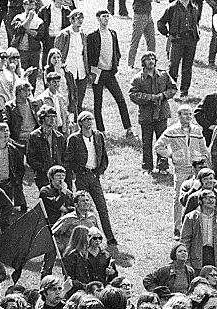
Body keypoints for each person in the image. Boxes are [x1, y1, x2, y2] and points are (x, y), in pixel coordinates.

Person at [155, 106, 210, 237]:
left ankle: (197, 226)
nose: (188, 117)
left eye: (190, 114)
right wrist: (172, 155)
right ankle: (178, 228)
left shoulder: (197, 130)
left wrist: (204, 162)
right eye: (185, 114)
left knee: (198, 196)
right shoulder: (172, 131)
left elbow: (203, 149)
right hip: (181, 169)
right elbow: (158, 146)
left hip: (196, 169)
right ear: (179, 115)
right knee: (179, 198)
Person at [66, 112, 115, 244]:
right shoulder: (74, 139)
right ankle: (85, 237)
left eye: (91, 119)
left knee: (102, 207)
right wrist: (77, 172)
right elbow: (69, 160)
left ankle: (109, 237)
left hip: (94, 176)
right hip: (82, 176)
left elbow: (104, 156)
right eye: (86, 119)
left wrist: (99, 171)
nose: (89, 122)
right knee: (83, 208)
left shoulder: (98, 136)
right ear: (80, 123)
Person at [87, 10, 134, 137]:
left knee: (121, 100)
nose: (106, 19)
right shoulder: (92, 36)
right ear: (98, 18)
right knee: (98, 103)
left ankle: (128, 128)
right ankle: (101, 131)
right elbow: (88, 55)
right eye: (103, 17)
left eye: (108, 16)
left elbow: (117, 52)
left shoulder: (113, 33)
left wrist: (115, 64)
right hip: (98, 73)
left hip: (110, 73)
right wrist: (91, 71)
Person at [128, 51, 175, 175]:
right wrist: (150, 98)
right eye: (148, 59)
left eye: (153, 59)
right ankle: (147, 167)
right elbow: (132, 94)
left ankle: (163, 166)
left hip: (161, 113)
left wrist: (163, 95)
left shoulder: (164, 75)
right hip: (146, 114)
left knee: (162, 141)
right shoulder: (138, 78)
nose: (151, 61)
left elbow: (173, 88)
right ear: (143, 62)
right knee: (146, 142)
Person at [157, 0, 201, 99]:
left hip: (191, 40)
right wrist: (168, 34)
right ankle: (171, 91)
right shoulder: (172, 7)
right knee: (173, 66)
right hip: (177, 41)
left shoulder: (194, 8)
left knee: (187, 67)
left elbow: (196, 22)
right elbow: (160, 22)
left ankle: (184, 91)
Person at [0, 123, 27, 210]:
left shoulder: (14, 150)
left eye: (7, 130)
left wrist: (15, 180)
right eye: (3, 131)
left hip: (8, 184)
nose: (6, 133)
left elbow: (20, 168)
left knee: (7, 209)